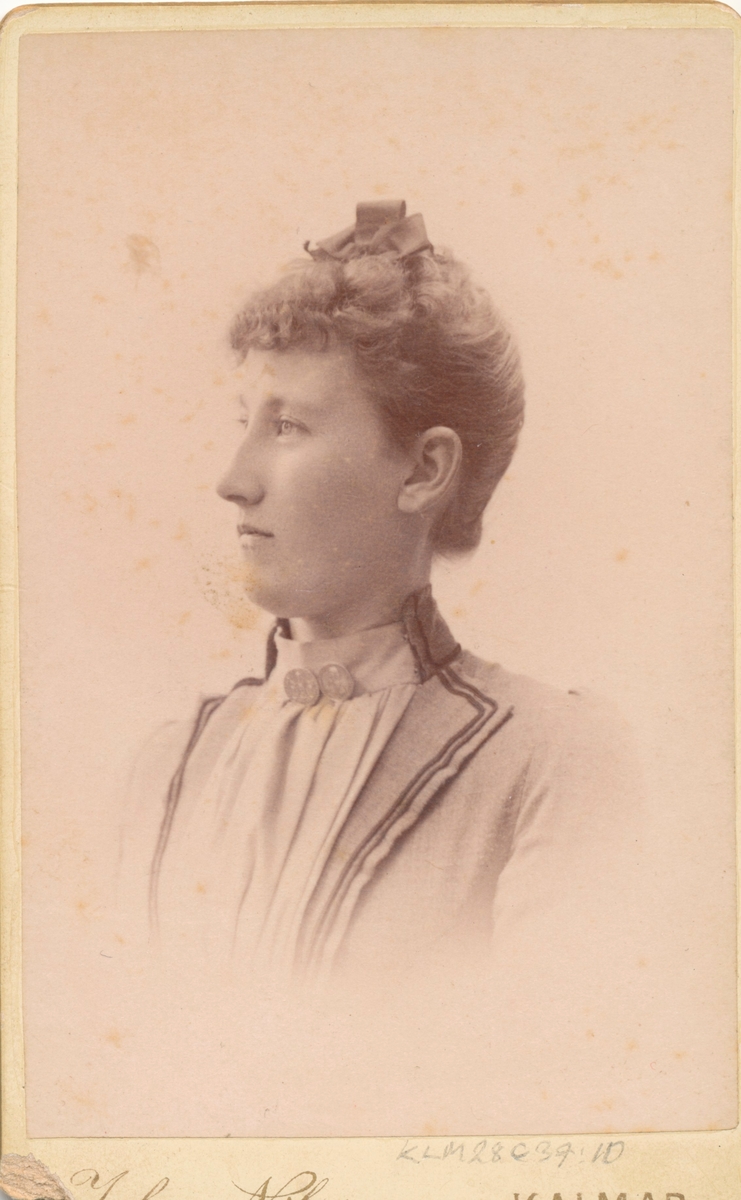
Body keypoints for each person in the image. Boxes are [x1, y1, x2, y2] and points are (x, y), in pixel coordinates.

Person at [121, 199, 641, 1000]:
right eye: (243, 422)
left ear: (424, 470)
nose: (233, 480)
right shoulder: (169, 765)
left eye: (287, 427)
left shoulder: (550, 759)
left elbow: (556, 1048)